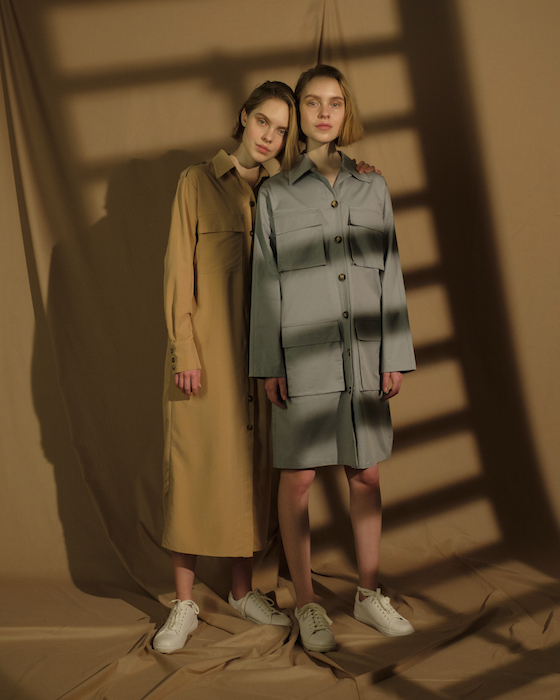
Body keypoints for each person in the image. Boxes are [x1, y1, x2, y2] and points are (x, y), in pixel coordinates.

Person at [249, 65, 416, 653]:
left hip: (365, 354)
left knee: (366, 473)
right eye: (313, 103)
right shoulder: (274, 194)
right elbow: (265, 282)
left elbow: (390, 273)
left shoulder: (373, 187)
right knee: (296, 479)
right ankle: (307, 603)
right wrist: (270, 363)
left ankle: (369, 594)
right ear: (298, 112)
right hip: (303, 358)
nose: (324, 113)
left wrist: (393, 353)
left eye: (335, 103)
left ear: (347, 113)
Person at [153, 81, 300, 654]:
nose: (270, 136)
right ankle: (183, 602)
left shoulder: (282, 192)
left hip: (260, 362)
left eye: (281, 130)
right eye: (263, 122)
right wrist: (184, 350)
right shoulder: (195, 182)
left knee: (250, 471)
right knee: (192, 469)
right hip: (205, 357)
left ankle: (242, 591)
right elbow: (177, 271)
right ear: (243, 117)